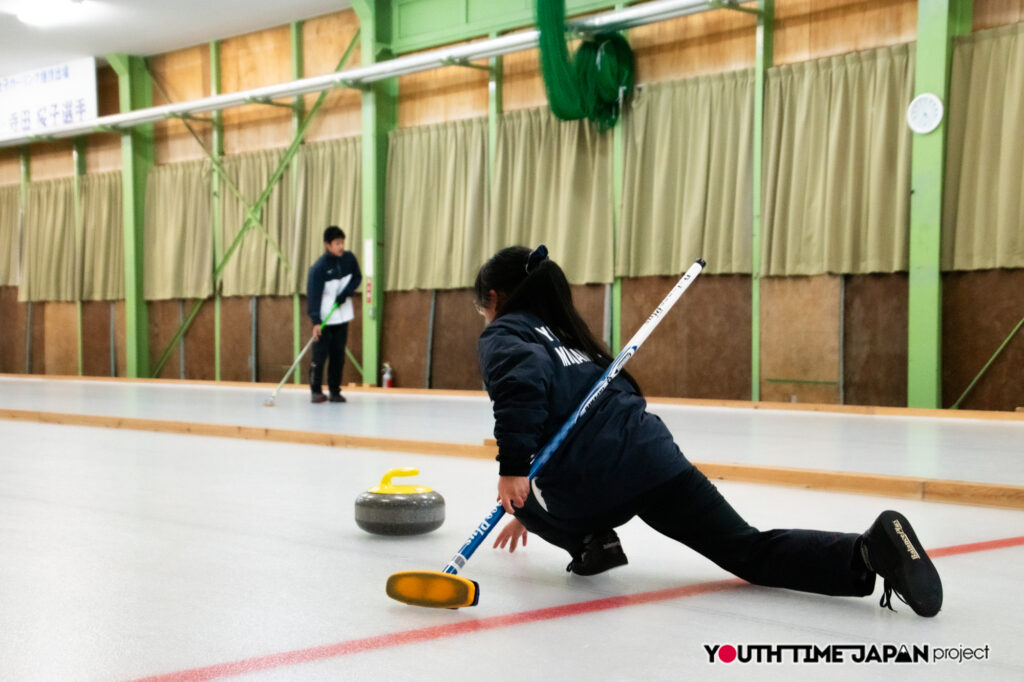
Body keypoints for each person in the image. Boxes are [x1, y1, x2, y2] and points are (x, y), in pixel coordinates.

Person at [476, 245, 943, 617]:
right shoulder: (570, 338)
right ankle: (869, 552)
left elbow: (520, 388)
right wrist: (533, 504)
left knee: (516, 491)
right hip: (655, 457)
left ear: (494, 299)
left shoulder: (505, 334)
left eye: (482, 310)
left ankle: (592, 542)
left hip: (597, 477)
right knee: (749, 549)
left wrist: (515, 475)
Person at [306, 226, 361, 403]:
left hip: (342, 317)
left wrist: (346, 293)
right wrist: (315, 321)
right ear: (327, 245)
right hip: (325, 319)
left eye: (342, 242)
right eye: (337, 243)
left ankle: (335, 391)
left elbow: (357, 277)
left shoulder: (349, 259)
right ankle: (315, 391)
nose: (341, 246)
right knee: (319, 357)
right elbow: (313, 296)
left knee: (338, 357)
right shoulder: (318, 268)